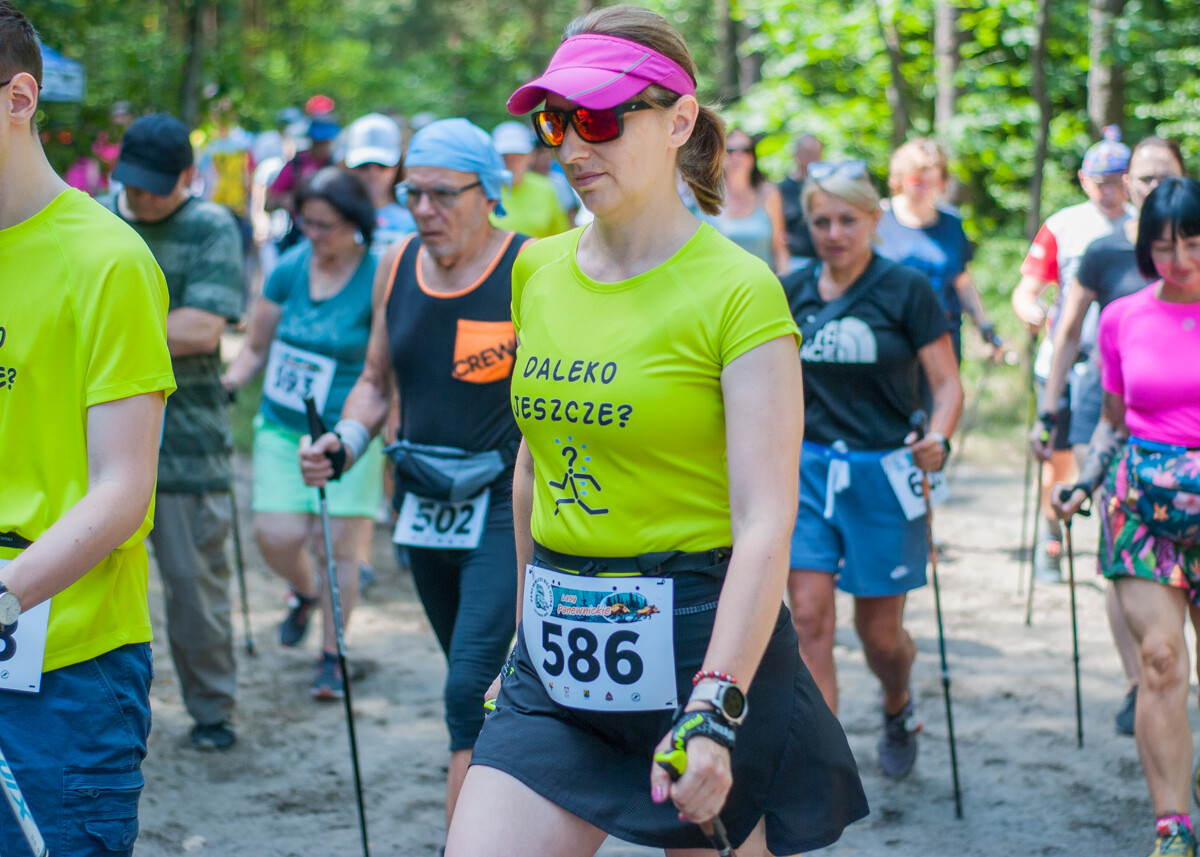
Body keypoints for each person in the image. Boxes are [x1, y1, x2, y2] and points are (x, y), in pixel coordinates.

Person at [436, 8, 868, 854]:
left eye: (599, 119)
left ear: (678, 121)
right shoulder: (538, 269)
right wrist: (524, 628)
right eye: (556, 121)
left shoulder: (740, 291)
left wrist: (716, 700)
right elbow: (532, 466)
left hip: (702, 648)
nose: (572, 146)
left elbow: (766, 520)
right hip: (558, 658)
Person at [300, 117, 528, 834]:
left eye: (442, 194)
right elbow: (375, 380)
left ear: (488, 192)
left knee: (467, 688)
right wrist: (344, 441)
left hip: (503, 503)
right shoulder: (396, 264)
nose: (424, 209)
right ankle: (516, 790)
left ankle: (469, 840)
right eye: (412, 193)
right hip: (423, 503)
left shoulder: (527, 268)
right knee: (477, 679)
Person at [0, 3, 175, 853]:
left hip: (66, 671)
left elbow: (122, 490)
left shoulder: (108, 260)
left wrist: (6, 594)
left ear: (19, 98)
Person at [781, 159, 962, 778]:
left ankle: (897, 702)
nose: (834, 233)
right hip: (808, 471)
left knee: (880, 637)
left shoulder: (906, 288)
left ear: (872, 219)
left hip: (884, 474)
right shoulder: (790, 290)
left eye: (847, 220)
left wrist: (939, 437)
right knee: (809, 618)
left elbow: (947, 384)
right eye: (821, 222)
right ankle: (824, 771)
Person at [1055, 176, 1200, 857]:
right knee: (1161, 659)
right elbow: (1113, 421)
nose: (1180, 261)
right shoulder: (1121, 317)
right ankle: (1173, 825)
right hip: (1141, 504)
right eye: (1164, 247)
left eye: (1193, 244)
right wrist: (1084, 481)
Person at [103, 114, 245, 750]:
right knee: (92, 586)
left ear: (188, 176)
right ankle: (98, 712)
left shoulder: (211, 226)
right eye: (132, 182)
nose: (141, 196)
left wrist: (100, 332)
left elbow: (202, 328)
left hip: (186, 444)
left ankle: (212, 711)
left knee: (194, 590)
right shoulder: (99, 217)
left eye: (156, 186)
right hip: (97, 443)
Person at [1036, 136, 1185, 737]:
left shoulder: (1191, 245)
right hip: (1113, 411)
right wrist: (1048, 410)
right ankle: (1136, 680)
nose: (1149, 186)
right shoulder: (1103, 252)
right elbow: (1069, 331)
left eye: (1162, 176)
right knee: (1120, 549)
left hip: (1184, 426)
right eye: (1140, 178)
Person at [222, 166, 382, 699]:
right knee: (276, 535)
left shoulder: (376, 277)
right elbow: (255, 346)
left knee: (336, 545)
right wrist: (230, 382)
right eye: (306, 223)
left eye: (325, 225)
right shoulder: (290, 267)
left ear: (354, 223)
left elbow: (383, 367)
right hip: (282, 426)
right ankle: (305, 591)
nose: (313, 234)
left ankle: (333, 655)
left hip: (347, 435)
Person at [1013, 125, 1133, 584]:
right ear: (1083, 180)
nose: (1109, 191)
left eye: (1117, 181)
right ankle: (1051, 537)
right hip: (1064, 360)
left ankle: (1114, 540)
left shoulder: (1145, 226)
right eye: (1100, 182)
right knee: (1057, 456)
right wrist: (1030, 311)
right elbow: (1028, 289)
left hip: (1117, 368)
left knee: (1106, 456)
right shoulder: (1062, 225)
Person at [877, 137, 1001, 364]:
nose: (924, 190)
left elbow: (962, 281)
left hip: (943, 335)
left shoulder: (951, 222)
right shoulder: (878, 219)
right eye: (917, 181)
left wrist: (985, 327)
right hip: (891, 336)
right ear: (901, 180)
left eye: (932, 182)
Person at [703, 128, 789, 272]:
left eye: (745, 150)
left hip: (763, 281)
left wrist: (785, 280)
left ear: (753, 156)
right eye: (731, 150)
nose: (738, 156)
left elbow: (779, 247)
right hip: (722, 281)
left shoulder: (768, 194)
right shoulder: (708, 195)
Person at [343, 112, 416, 252]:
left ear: (397, 166)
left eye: (382, 165)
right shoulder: (337, 215)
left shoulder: (415, 213)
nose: (373, 173)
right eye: (363, 166)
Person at [489, 120, 570, 237]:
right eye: (505, 156)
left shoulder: (547, 188)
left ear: (531, 156)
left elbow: (561, 235)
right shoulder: (485, 191)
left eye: (519, 156)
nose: (512, 163)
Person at [777, 132, 822, 264]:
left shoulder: (824, 189)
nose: (811, 158)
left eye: (815, 153)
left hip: (822, 260)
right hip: (792, 260)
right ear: (796, 154)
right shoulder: (781, 189)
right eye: (806, 153)